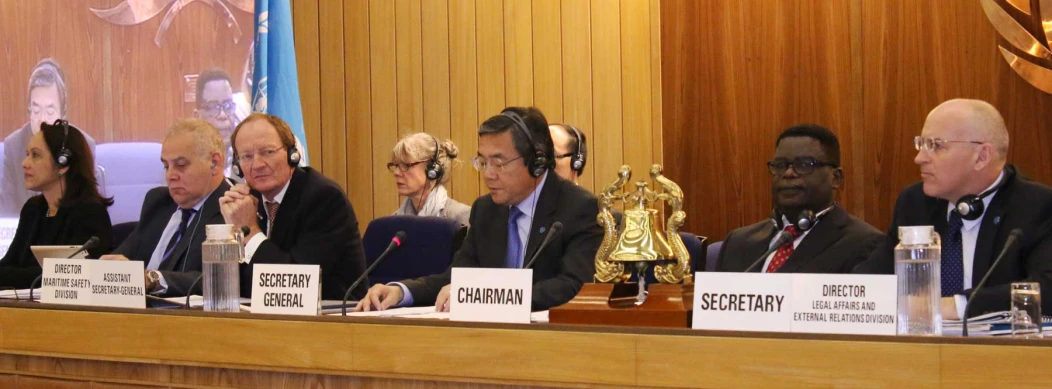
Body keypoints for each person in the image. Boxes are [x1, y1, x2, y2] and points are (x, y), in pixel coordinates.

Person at [357, 107, 603, 312]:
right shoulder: (486, 210)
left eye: (498, 162)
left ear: (537, 162)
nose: (488, 174)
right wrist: (401, 291)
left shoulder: (579, 207)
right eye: (483, 162)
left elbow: (574, 286)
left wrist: (482, 296)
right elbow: (455, 278)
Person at [855, 99, 1052, 319]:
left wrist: (954, 306)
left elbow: (1047, 288)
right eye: (921, 144)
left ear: (981, 157)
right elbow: (871, 280)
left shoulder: (1038, 206)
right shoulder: (915, 203)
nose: (919, 158)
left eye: (936, 146)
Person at [218, 113, 368, 300]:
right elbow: (235, 282)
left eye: (268, 152)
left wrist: (249, 231)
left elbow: (294, 283)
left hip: (331, 318)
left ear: (293, 155)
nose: (257, 165)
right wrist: (229, 235)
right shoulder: (249, 200)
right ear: (237, 167)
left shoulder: (323, 198)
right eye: (247, 156)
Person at [715, 124, 882, 273]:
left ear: (836, 178)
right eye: (780, 165)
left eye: (804, 165)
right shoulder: (737, 243)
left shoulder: (866, 245)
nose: (788, 173)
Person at [100, 119, 231, 296]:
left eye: (181, 165)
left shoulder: (231, 210)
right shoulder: (158, 202)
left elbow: (218, 280)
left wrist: (152, 280)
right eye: (166, 166)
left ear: (214, 163)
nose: (170, 175)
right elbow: (123, 259)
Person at [0, 120, 113, 288]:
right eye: (26, 154)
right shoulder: (33, 209)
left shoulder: (90, 213)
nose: (25, 163)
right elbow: (9, 264)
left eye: (35, 155)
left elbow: (64, 277)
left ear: (63, 163)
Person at [2, 58, 97, 217]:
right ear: (29, 109)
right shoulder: (13, 147)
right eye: (36, 111)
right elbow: (7, 214)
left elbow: (90, 210)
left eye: (50, 111)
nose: (42, 120)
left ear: (63, 113)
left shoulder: (82, 145)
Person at [389, 132, 471, 225]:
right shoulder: (393, 222)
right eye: (396, 165)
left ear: (432, 168)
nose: (396, 173)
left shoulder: (461, 217)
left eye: (406, 165)